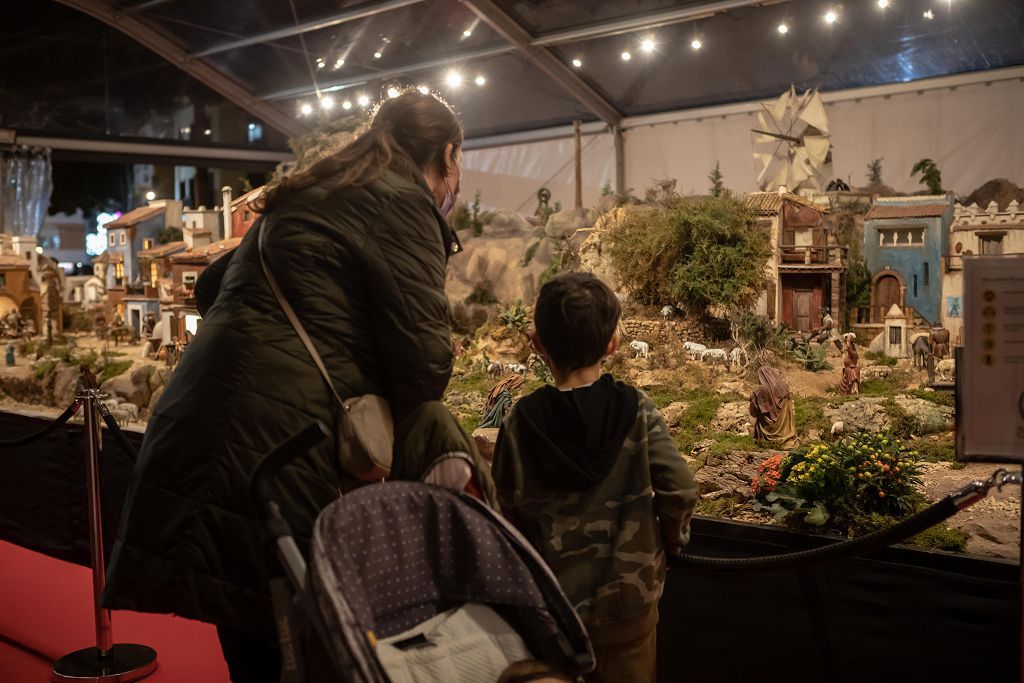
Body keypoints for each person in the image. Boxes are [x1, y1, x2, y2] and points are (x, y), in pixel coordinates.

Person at [102, 90, 466, 683]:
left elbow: (211, 286)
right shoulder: (402, 201)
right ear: (447, 154)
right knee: (300, 645)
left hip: (201, 418)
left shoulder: (315, 189)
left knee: (249, 627)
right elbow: (425, 366)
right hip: (281, 443)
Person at [492, 272, 697, 683]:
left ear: (538, 344)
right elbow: (681, 488)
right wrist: (672, 544)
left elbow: (504, 512)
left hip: (553, 612)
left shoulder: (521, 421)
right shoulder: (636, 409)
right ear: (613, 344)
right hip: (629, 606)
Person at [748, 365, 797, 448]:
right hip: (785, 428)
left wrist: (753, 397)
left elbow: (756, 411)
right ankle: (785, 439)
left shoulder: (760, 390)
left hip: (768, 427)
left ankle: (767, 442)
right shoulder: (784, 389)